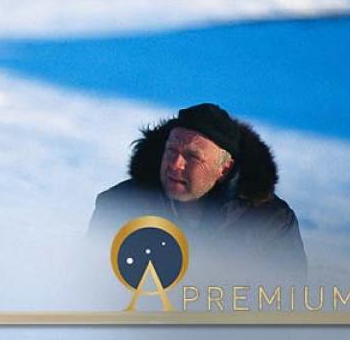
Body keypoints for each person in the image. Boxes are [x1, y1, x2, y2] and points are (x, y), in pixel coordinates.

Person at [88, 103, 307, 282]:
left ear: (224, 169)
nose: (175, 164)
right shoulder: (119, 206)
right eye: (171, 151)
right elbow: (89, 289)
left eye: (192, 157)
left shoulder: (270, 222)